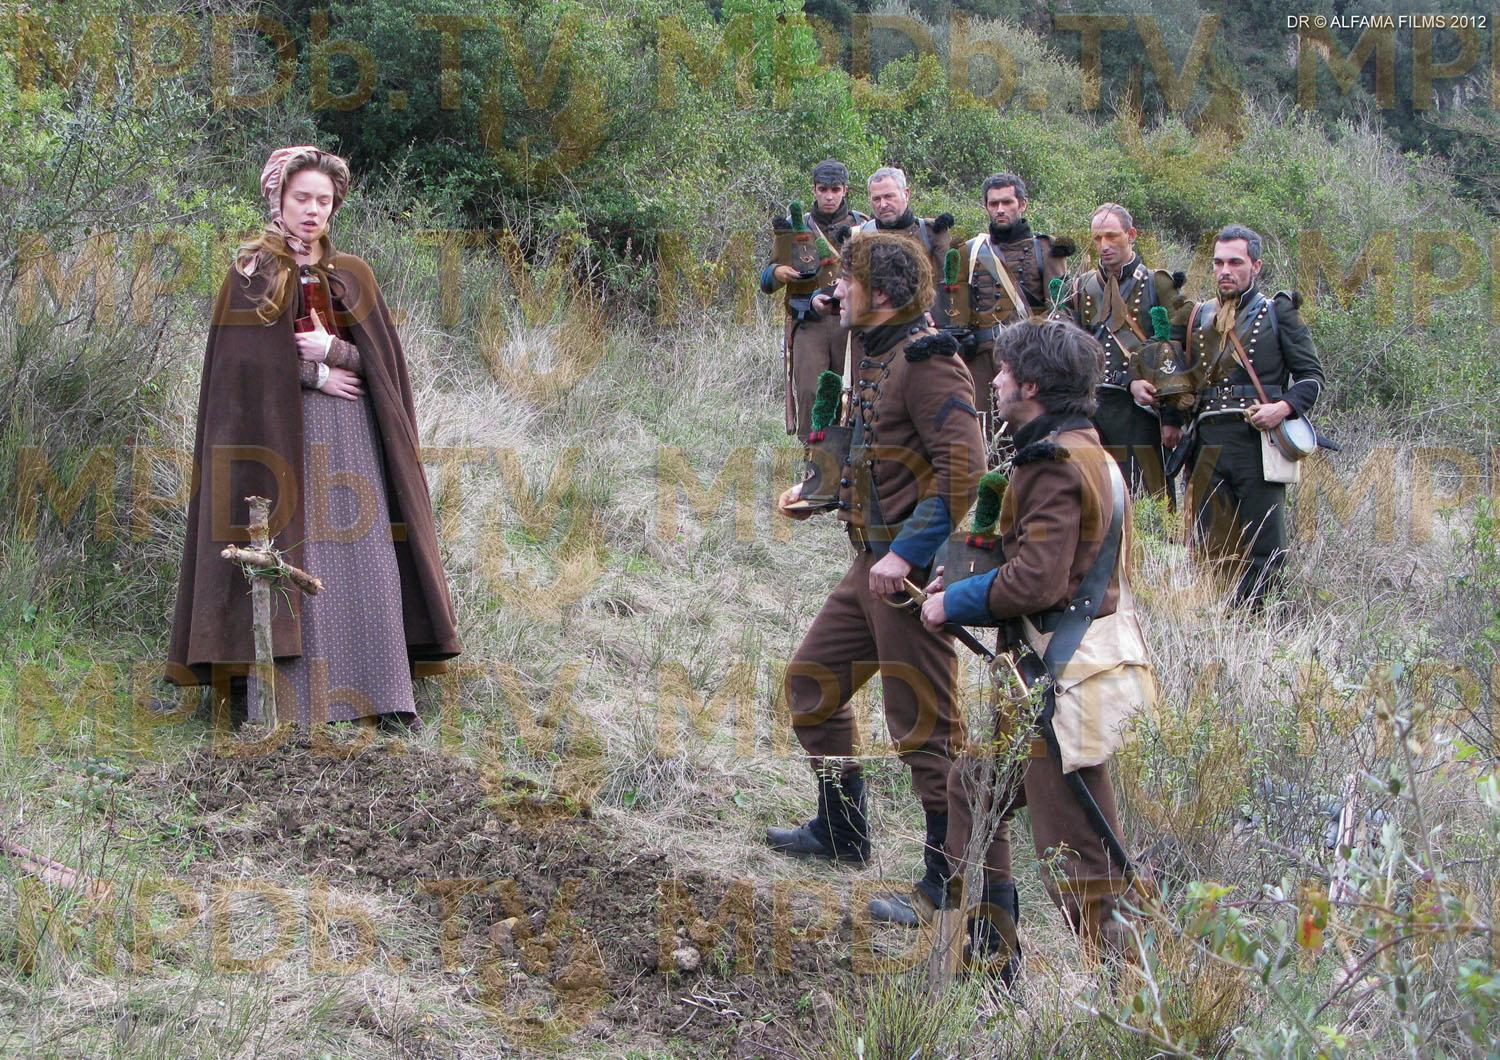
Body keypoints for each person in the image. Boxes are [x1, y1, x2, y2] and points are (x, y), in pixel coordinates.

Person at [166, 146, 461, 726]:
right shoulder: (253, 272)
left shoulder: (354, 274)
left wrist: (336, 351)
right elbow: (239, 368)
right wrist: (312, 374)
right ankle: (286, 703)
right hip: (278, 442)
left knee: (366, 553)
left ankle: (385, 696)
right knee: (292, 552)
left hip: (354, 436)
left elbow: (384, 366)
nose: (312, 210)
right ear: (278, 198)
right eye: (302, 197)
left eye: (323, 201)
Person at [919, 319, 1151, 984]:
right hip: (1050, 674)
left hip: (1057, 686)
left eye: (1003, 370)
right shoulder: (1083, 450)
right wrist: (967, 575)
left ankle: (1133, 1005)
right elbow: (1050, 562)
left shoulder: (1051, 464)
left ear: (1031, 386)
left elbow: (1039, 582)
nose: (992, 380)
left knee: (1080, 864)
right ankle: (990, 961)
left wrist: (954, 603)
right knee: (973, 787)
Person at [768, 232, 985, 911]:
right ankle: (842, 832)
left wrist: (908, 552)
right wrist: (817, 493)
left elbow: (964, 469)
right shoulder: (874, 347)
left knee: (925, 729)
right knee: (812, 685)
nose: (836, 291)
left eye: (849, 282)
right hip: (871, 563)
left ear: (883, 294)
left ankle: (947, 883)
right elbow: (873, 448)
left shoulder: (929, 362)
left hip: (908, 577)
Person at [1181, 224, 1324, 605]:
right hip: (1207, 442)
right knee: (1210, 543)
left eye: (1235, 262)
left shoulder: (1278, 311)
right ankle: (1218, 623)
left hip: (1258, 443)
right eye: (1218, 263)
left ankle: (1262, 624)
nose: (1224, 271)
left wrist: (1283, 407)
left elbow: (1312, 378)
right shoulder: (1198, 316)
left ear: (1256, 266)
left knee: (1266, 547)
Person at [1069, 202, 1189, 499]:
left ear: (1131, 235)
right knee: (1097, 498)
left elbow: (1176, 348)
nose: (1104, 245)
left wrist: (1172, 417)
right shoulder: (1082, 287)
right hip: (1093, 407)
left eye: (1112, 236)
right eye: (1097, 238)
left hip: (1139, 410)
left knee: (1149, 497)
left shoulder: (1157, 283)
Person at [760, 159, 867, 438]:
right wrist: (779, 272)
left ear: (845, 190)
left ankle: (845, 457)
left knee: (851, 394)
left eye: (835, 189)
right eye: (823, 189)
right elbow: (766, 280)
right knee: (810, 392)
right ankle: (812, 456)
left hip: (850, 325)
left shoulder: (862, 226)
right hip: (808, 323)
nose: (829, 196)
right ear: (814, 190)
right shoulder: (794, 226)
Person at [958, 173, 1073, 425]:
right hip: (980, 361)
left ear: (1022, 205)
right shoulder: (970, 251)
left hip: (1027, 358)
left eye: (1007, 202)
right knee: (982, 430)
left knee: (1031, 429)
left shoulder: (1046, 249)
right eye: (993, 203)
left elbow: (1060, 311)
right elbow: (956, 309)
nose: (1000, 209)